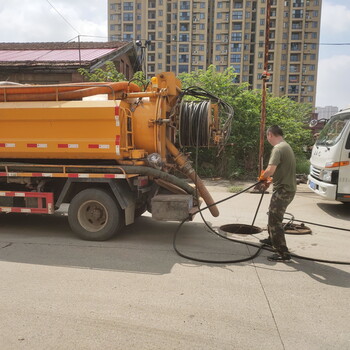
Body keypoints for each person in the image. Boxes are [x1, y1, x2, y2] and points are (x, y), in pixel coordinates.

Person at [259, 125, 296, 262]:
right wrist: (271, 180)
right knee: (272, 213)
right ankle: (271, 239)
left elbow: (270, 169)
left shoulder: (278, 148)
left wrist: (263, 178)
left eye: (267, 136)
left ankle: (283, 253)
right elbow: (282, 170)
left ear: (270, 135)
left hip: (283, 190)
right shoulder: (286, 146)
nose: (267, 138)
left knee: (275, 220)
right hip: (287, 188)